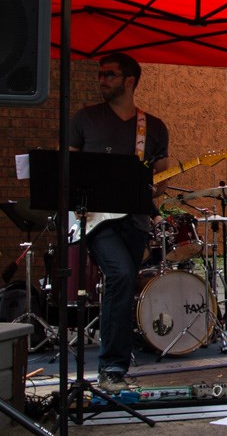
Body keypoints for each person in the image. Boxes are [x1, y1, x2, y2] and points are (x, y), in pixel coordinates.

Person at [70, 53, 170, 393]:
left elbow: (161, 179)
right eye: (100, 74)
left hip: (135, 219)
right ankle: (112, 366)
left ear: (130, 81)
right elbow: (70, 170)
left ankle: (114, 365)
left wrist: (153, 186)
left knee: (124, 284)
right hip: (96, 220)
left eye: (109, 75)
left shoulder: (153, 127)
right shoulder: (85, 119)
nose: (102, 80)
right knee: (122, 274)